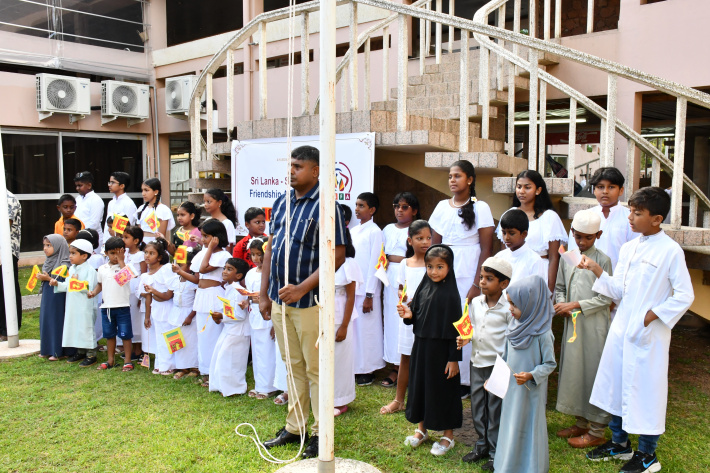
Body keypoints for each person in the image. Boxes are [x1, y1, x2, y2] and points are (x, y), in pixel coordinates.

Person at [580, 187, 694, 473]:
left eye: (637, 213)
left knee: (646, 393)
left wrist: (650, 316)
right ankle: (620, 444)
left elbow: (683, 295)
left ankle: (647, 454)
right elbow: (619, 288)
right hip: (622, 331)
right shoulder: (630, 248)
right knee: (617, 387)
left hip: (647, 335)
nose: (630, 217)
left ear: (656, 219)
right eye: (630, 211)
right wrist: (596, 269)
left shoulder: (671, 251)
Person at [260, 145, 347, 460]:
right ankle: (295, 427)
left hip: (310, 302)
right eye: (290, 165)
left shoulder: (327, 205)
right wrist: (263, 292)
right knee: (292, 366)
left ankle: (320, 434)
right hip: (280, 301)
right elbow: (271, 249)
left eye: (298, 166)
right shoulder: (281, 202)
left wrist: (302, 288)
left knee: (315, 369)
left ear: (315, 171)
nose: (291, 171)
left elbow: (337, 255)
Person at [429, 160, 494, 398]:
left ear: (470, 179)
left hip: (469, 269)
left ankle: (465, 379)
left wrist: (478, 283)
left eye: (457, 176)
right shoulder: (440, 207)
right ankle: (444, 370)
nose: (452, 180)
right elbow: (434, 246)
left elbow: (486, 249)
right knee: (445, 320)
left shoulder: (481, 207)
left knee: (466, 322)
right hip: (445, 268)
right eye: (450, 176)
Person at [554, 210, 613, 448]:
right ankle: (581, 421)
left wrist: (576, 305)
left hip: (594, 325)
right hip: (573, 323)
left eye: (588, 238)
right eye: (578, 236)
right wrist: (561, 304)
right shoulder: (568, 256)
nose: (581, 242)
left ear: (598, 235)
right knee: (575, 371)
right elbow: (559, 286)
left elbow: (606, 298)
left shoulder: (603, 260)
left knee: (594, 371)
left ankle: (597, 429)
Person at [397, 245, 462, 456]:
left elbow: (457, 330)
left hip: (443, 352)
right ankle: (422, 430)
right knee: (420, 387)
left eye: (440, 267)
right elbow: (416, 315)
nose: (434, 271)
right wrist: (408, 314)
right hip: (422, 347)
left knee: (443, 391)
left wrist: (454, 358)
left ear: (449, 268)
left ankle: (448, 435)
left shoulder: (452, 295)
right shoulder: (423, 287)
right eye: (430, 266)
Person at [494, 275, 557, 473]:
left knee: (527, 427)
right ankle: (507, 465)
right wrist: (495, 377)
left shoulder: (542, 333)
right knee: (510, 425)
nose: (510, 309)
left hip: (530, 392)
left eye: (514, 304)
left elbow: (550, 364)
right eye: (509, 303)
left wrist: (531, 375)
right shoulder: (513, 327)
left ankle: (529, 467)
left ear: (531, 304)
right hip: (512, 391)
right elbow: (505, 356)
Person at [458, 257, 513, 470]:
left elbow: (510, 338)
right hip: (477, 362)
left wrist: (505, 366)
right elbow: (470, 327)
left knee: (495, 408)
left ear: (504, 283)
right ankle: (481, 445)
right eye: (481, 277)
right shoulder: (475, 303)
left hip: (497, 366)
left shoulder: (508, 307)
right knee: (478, 406)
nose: (482, 282)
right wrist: (465, 338)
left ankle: (495, 452)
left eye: (489, 279)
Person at [380, 220, 431, 415]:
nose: (425, 242)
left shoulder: (433, 262)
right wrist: (403, 302)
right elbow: (402, 289)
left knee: (426, 359)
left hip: (427, 318)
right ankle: (399, 400)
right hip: (408, 318)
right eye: (419, 238)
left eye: (428, 238)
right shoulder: (404, 264)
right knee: (405, 358)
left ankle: (426, 401)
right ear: (410, 241)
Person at [496, 170, 567, 292]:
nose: (522, 191)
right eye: (519, 187)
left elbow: (554, 257)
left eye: (527, 187)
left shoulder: (549, 217)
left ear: (538, 190)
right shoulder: (509, 214)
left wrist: (549, 290)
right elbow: (504, 252)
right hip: (513, 271)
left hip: (540, 271)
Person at [381, 192, 420, 388]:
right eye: (397, 206)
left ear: (414, 211)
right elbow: (382, 255)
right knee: (392, 322)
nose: (399, 210)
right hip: (390, 282)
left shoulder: (418, 228)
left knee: (408, 321)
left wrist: (393, 258)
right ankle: (396, 367)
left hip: (410, 276)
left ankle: (411, 367)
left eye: (404, 207)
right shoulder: (387, 229)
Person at [567, 167, 639, 270]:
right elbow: (573, 251)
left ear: (621, 190)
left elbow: (635, 253)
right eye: (600, 187)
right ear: (594, 190)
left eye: (611, 187)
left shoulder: (630, 218)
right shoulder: (583, 217)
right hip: (586, 278)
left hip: (616, 279)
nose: (605, 191)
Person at [350, 192, 386, 386]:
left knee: (367, 330)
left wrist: (370, 294)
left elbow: (375, 263)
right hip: (353, 288)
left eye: (361, 205)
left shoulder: (375, 231)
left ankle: (369, 369)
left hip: (367, 290)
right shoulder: (354, 231)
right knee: (355, 331)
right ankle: (356, 367)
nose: (357, 209)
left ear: (372, 210)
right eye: (356, 205)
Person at [191, 219, 231, 386]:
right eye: (203, 236)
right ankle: (205, 371)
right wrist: (206, 249)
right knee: (203, 335)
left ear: (216, 237)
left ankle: (215, 372)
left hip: (214, 296)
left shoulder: (224, 255)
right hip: (202, 296)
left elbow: (203, 269)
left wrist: (208, 249)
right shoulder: (204, 252)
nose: (204, 240)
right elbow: (195, 270)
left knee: (213, 335)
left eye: (207, 236)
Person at [49, 239, 99, 367]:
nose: (70, 256)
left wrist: (75, 282)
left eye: (73, 253)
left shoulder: (90, 270)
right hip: (73, 304)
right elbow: (67, 285)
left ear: (84, 256)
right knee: (76, 326)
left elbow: (89, 287)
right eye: (70, 253)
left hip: (84, 305)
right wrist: (57, 283)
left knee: (85, 327)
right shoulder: (72, 270)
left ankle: (91, 353)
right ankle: (80, 350)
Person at [87, 236, 134, 371]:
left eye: (118, 253)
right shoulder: (102, 268)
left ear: (123, 252)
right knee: (109, 334)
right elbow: (100, 285)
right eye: (112, 253)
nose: (115, 256)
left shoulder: (126, 267)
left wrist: (121, 261)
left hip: (122, 306)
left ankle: (127, 361)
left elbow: (126, 278)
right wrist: (93, 293)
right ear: (106, 253)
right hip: (107, 307)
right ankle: (110, 360)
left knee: (125, 335)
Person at [209, 258, 251, 397]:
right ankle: (222, 385)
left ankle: (234, 388)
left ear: (239, 275)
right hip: (229, 329)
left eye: (229, 269)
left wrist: (222, 316)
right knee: (221, 357)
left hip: (238, 331)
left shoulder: (239, 291)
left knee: (232, 360)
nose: (224, 271)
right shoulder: (229, 289)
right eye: (224, 268)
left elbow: (240, 315)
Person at [333, 232, 363, 416]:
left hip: (341, 315)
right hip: (321, 312)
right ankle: (323, 396)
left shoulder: (349, 263)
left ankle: (340, 400)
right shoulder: (321, 260)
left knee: (340, 358)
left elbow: (351, 296)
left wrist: (344, 325)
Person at [245, 237, 279, 399]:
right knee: (258, 352)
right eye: (253, 255)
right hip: (254, 315)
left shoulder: (272, 272)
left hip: (268, 315)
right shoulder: (250, 273)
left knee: (268, 352)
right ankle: (259, 384)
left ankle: (270, 386)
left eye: (260, 255)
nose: (257, 259)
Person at [142, 238, 178, 376]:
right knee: (159, 336)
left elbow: (168, 295)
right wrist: (147, 316)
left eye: (152, 253)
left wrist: (154, 291)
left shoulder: (166, 270)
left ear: (160, 257)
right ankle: (160, 363)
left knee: (169, 334)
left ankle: (172, 364)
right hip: (156, 308)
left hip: (167, 307)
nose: (147, 256)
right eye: (146, 252)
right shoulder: (145, 275)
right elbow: (148, 297)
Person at [36, 234, 73, 360]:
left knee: (56, 320)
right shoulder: (49, 261)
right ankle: (47, 349)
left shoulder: (64, 264)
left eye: (49, 245)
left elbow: (63, 281)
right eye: (44, 245)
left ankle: (57, 351)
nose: (45, 248)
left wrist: (47, 278)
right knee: (46, 319)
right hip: (48, 294)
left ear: (58, 247)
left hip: (58, 296)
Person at [169, 245, 200, 380]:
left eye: (181, 265)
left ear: (189, 266)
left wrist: (190, 316)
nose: (177, 267)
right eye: (177, 263)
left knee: (190, 341)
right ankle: (182, 366)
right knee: (177, 339)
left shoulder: (193, 283)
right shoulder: (174, 280)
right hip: (176, 313)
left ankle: (194, 366)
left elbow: (197, 302)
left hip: (189, 315)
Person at [496, 209, 548, 284]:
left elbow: (538, 291)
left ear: (524, 234)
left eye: (511, 233)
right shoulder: (499, 257)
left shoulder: (534, 260)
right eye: (504, 233)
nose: (506, 237)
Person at [122, 226, 147, 360]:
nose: (123, 240)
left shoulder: (140, 255)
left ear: (136, 240)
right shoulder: (124, 253)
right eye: (123, 237)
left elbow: (143, 274)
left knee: (136, 318)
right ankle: (130, 348)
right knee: (129, 318)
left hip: (135, 288)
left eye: (127, 237)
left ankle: (139, 349)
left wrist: (140, 294)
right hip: (125, 287)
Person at [0, 191, 22, 341]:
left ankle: (7, 329)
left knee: (6, 291)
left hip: (6, 252)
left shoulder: (9, 199)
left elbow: (4, 225)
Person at [135, 178, 175, 245]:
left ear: (156, 192)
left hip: (155, 245)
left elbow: (161, 235)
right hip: (141, 244)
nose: (143, 193)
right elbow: (139, 231)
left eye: (146, 190)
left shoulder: (163, 209)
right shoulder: (141, 209)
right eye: (142, 190)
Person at [103, 172, 137, 243]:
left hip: (121, 242)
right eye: (109, 182)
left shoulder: (128, 203)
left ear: (122, 186)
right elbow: (107, 226)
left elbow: (127, 227)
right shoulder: (111, 203)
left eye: (113, 183)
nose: (109, 185)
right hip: (109, 241)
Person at [73, 172, 105, 247]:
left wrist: (79, 233)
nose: (77, 188)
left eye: (80, 185)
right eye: (76, 186)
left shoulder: (96, 200)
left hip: (92, 238)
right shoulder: (78, 199)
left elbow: (94, 223)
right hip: (78, 237)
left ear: (89, 185)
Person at [203, 188, 238, 254]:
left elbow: (228, 250)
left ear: (219, 202)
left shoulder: (227, 223)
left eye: (209, 202)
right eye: (204, 201)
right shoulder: (207, 221)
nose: (205, 204)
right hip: (205, 258)